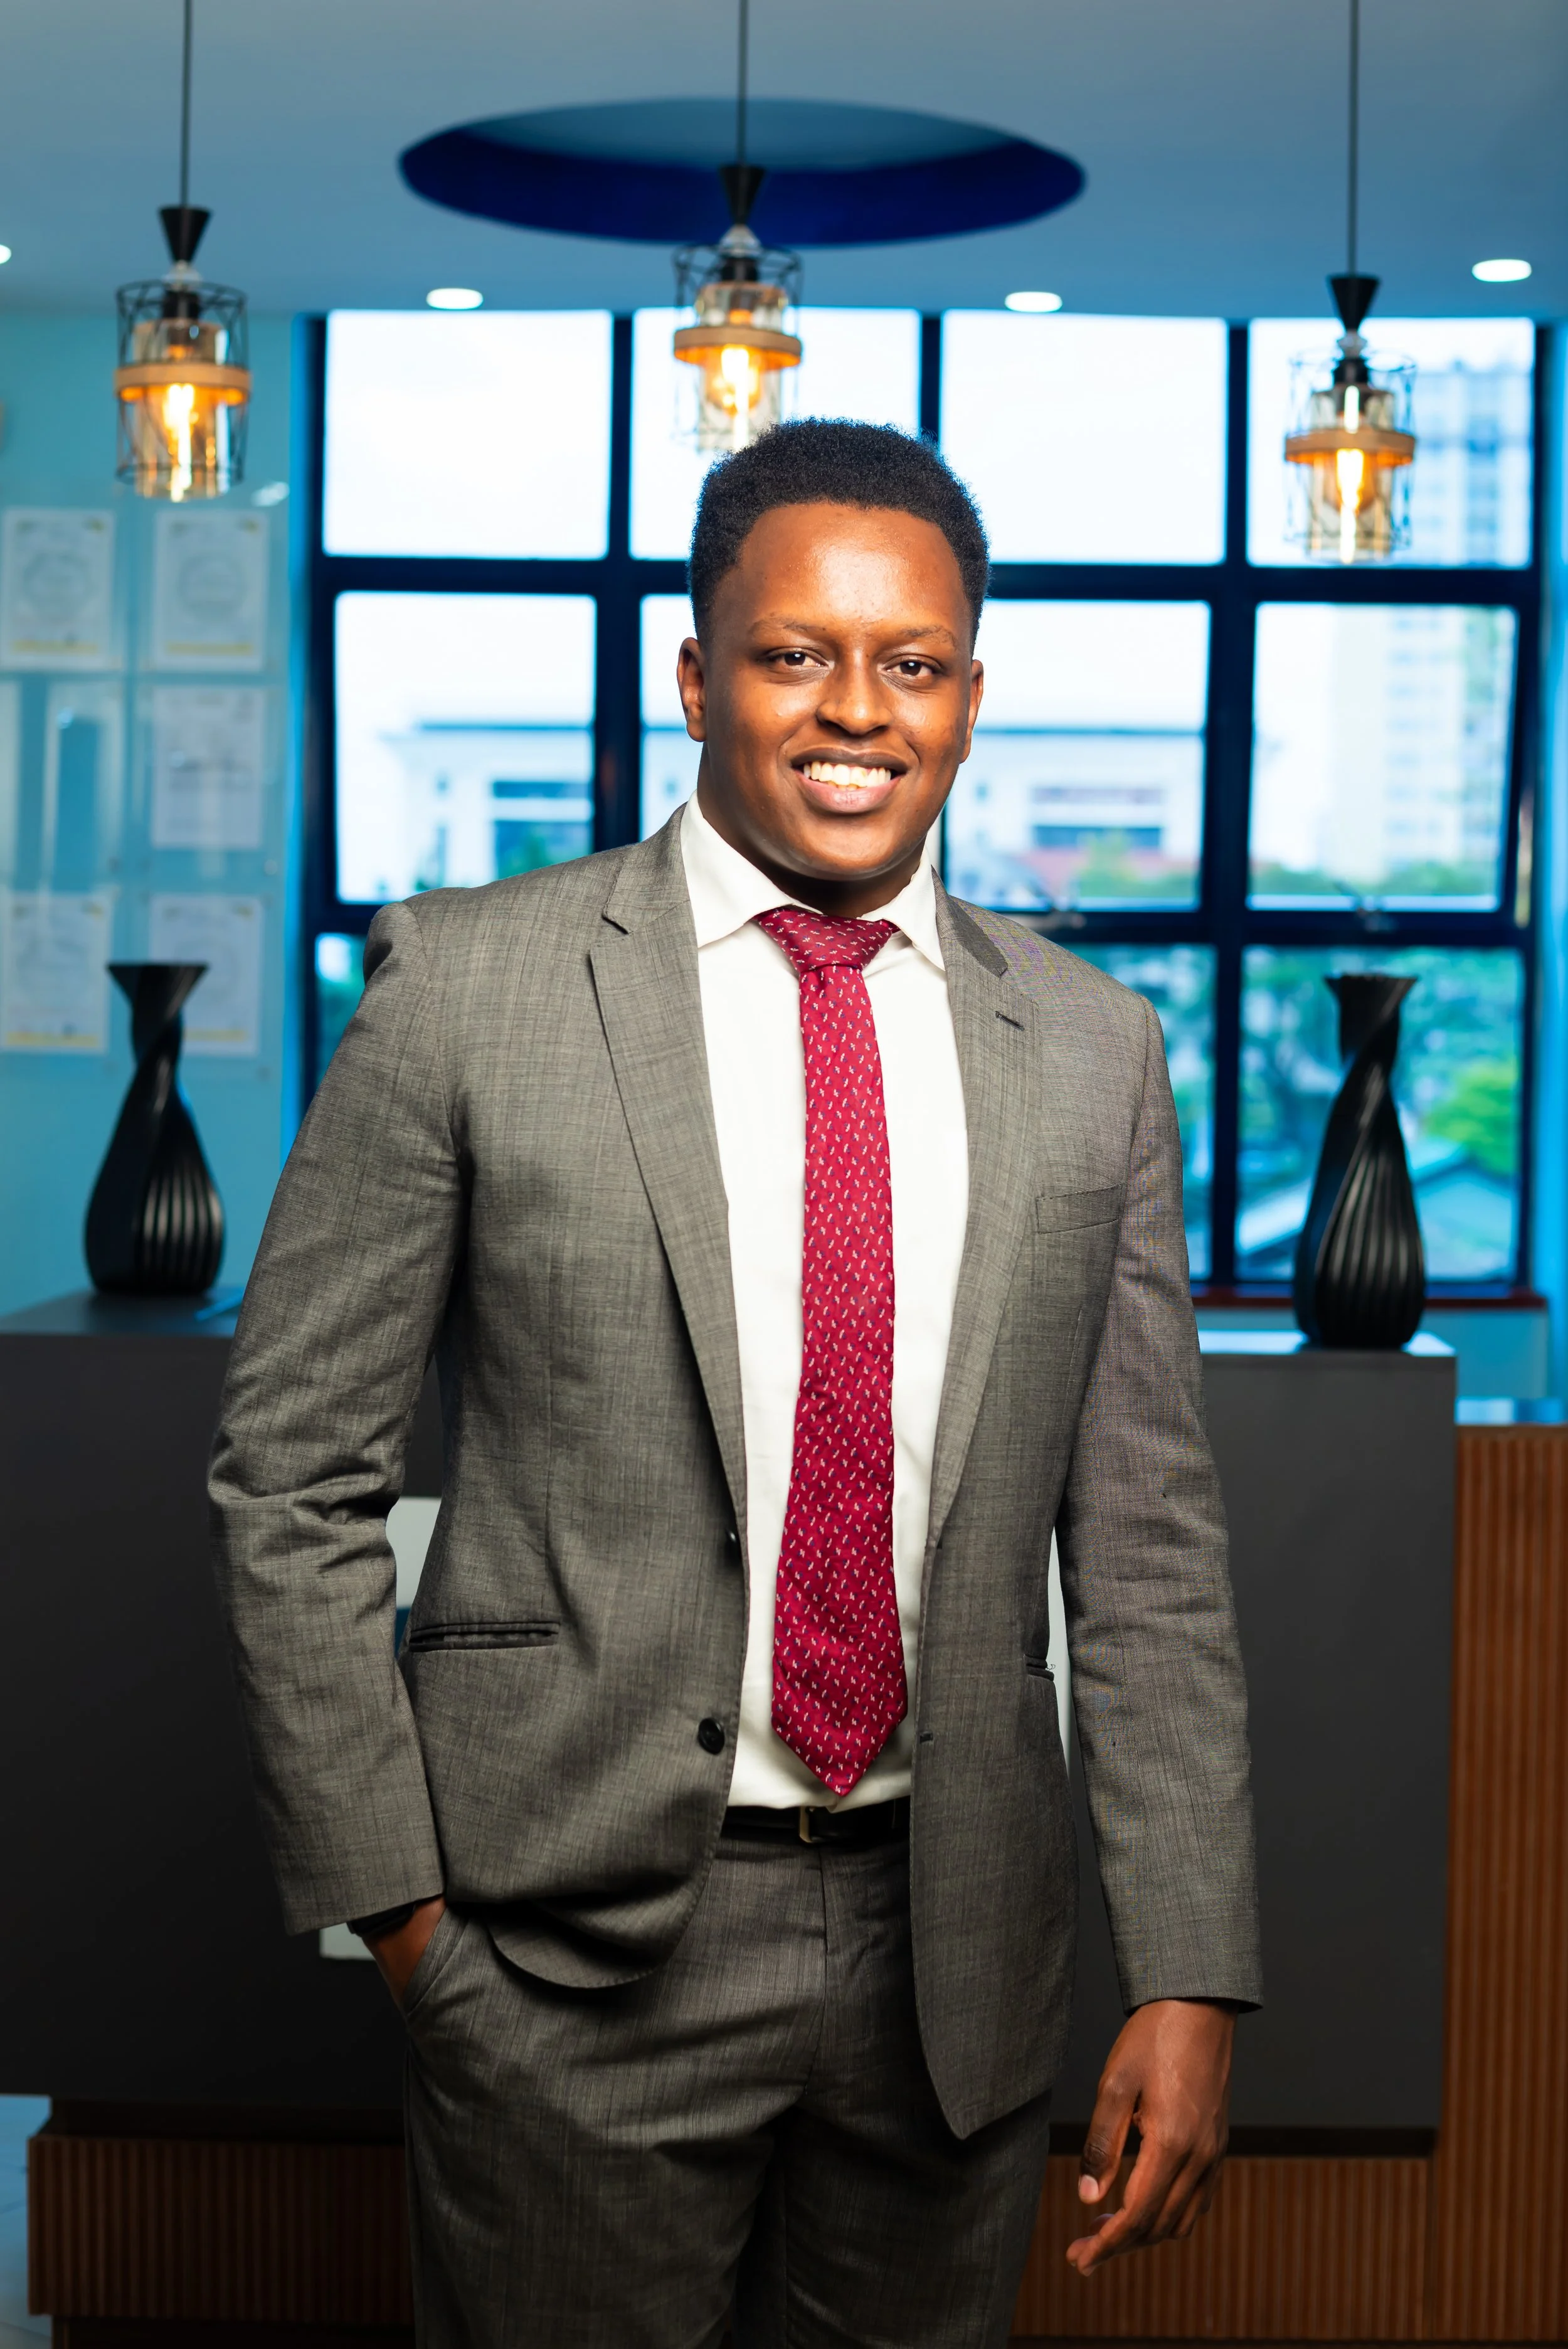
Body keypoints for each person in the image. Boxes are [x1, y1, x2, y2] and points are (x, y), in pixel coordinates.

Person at [211, 418, 1260, 2349]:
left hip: (953, 1959)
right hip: (560, 1958)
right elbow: (289, 1474)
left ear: (966, 695)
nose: (853, 710)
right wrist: (409, 1932)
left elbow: (1149, 1549)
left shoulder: (1089, 1051)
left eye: (911, 662)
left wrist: (1190, 1971)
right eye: (792, 655)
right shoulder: (470, 986)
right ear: (697, 677)